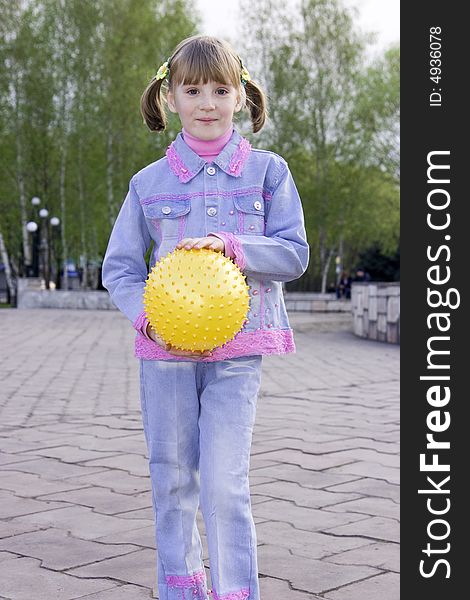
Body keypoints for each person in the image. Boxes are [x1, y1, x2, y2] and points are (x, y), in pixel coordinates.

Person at [102, 35, 309, 600]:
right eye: (192, 90)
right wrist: (146, 314)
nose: (207, 102)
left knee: (224, 485)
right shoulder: (148, 184)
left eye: (220, 89)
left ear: (240, 96)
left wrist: (235, 247)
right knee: (171, 478)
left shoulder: (268, 173)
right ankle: (182, 590)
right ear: (170, 98)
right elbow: (119, 268)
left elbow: (295, 254)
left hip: (238, 353)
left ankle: (236, 592)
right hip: (164, 355)